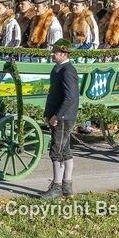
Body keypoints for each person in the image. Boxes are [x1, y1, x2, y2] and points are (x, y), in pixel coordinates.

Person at [41, 39, 79, 199]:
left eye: (55, 52)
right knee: (65, 150)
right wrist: (48, 113)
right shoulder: (58, 68)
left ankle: (57, 186)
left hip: (63, 118)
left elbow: (70, 97)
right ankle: (67, 186)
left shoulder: (68, 71)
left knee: (56, 152)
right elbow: (54, 94)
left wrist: (57, 115)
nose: (52, 54)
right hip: (58, 116)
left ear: (64, 54)